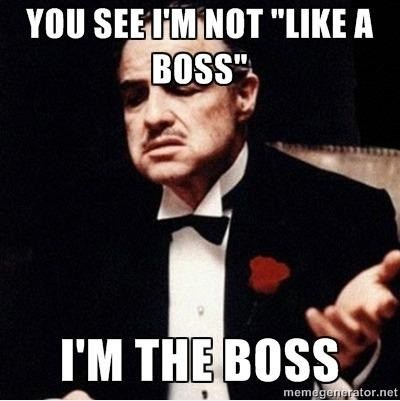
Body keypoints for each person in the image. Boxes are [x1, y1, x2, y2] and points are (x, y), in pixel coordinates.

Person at [1, 3, 399, 400]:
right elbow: (29, 372)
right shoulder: (77, 227)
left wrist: (355, 360)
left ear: (244, 95)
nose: (153, 116)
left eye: (182, 87)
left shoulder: (347, 216)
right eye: (136, 96)